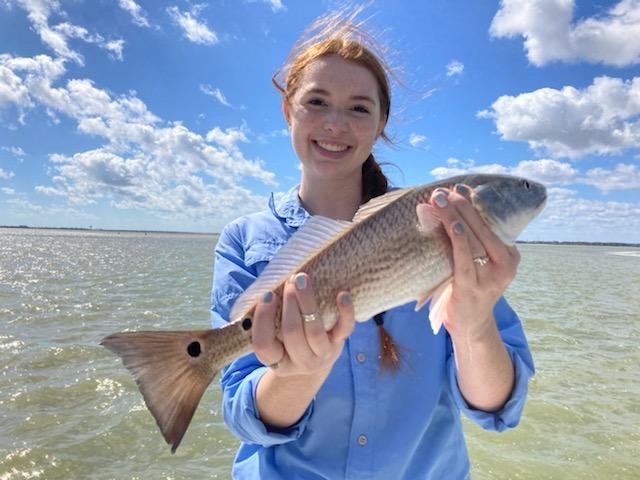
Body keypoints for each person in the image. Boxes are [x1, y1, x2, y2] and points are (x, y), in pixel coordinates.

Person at [210, 9, 534, 480]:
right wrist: (298, 374)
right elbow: (243, 417)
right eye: (316, 101)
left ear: (381, 122)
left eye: (360, 107)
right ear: (288, 110)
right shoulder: (243, 238)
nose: (336, 124)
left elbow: (496, 408)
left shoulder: (444, 226)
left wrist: (473, 324)